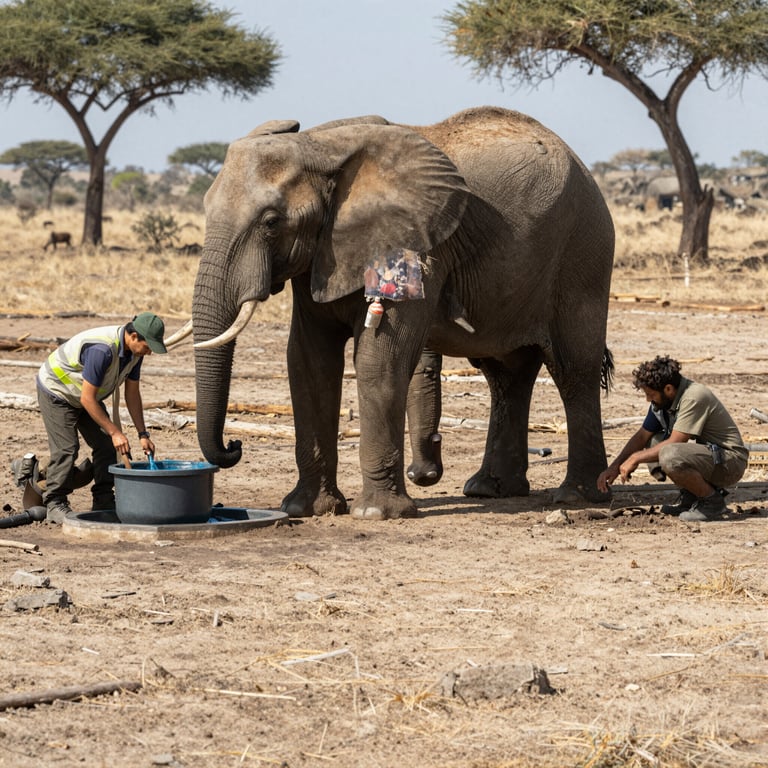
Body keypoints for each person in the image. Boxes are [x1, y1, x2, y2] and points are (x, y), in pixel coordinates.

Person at [36, 312, 168, 523]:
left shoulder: (136, 353)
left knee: (106, 445)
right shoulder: (102, 350)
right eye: (147, 346)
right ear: (134, 336)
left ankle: (103, 499)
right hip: (57, 391)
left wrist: (143, 434)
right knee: (67, 448)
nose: (149, 352)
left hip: (85, 395)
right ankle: (54, 503)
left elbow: (132, 394)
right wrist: (115, 432)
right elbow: (87, 399)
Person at [597, 355, 748, 522]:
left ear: (668, 389)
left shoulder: (694, 396)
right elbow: (641, 437)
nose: (648, 399)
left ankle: (712, 502)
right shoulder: (663, 403)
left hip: (730, 463)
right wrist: (614, 467)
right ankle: (691, 498)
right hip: (712, 458)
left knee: (670, 454)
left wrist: (635, 458)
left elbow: (676, 442)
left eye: (651, 394)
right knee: (654, 441)